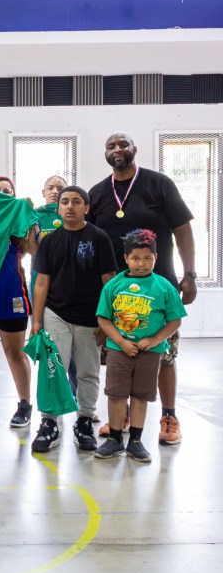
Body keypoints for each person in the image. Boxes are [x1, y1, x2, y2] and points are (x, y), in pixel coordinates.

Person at [88, 133, 197, 445]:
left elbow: (183, 230)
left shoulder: (158, 184)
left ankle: (169, 416)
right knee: (120, 359)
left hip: (158, 290)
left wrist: (189, 274)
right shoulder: (98, 193)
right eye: (111, 145)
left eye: (124, 144)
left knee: (164, 356)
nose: (118, 149)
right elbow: (92, 244)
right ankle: (120, 417)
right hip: (117, 294)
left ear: (135, 149)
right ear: (105, 153)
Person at [30, 186, 118, 453]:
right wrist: (37, 321)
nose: (69, 206)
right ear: (58, 209)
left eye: (76, 202)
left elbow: (109, 282)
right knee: (52, 369)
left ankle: (84, 421)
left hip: (91, 318)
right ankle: (49, 424)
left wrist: (107, 321)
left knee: (87, 372)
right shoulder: (49, 241)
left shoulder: (99, 238)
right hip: (56, 314)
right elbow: (42, 282)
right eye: (65, 202)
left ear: (86, 208)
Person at [95, 230, 186, 462]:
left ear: (156, 257)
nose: (142, 264)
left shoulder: (163, 286)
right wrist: (122, 342)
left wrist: (155, 340)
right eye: (136, 258)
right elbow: (103, 319)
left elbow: (175, 319)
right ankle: (115, 440)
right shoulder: (114, 285)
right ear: (126, 258)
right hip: (119, 351)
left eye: (148, 258)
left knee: (140, 396)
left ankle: (135, 440)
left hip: (150, 353)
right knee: (115, 395)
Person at [0, 177, 35, 429]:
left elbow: (34, 250)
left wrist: (31, 217)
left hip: (11, 293)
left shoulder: (16, 216)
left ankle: (25, 404)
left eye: (7, 191)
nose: (2, 193)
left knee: (15, 351)